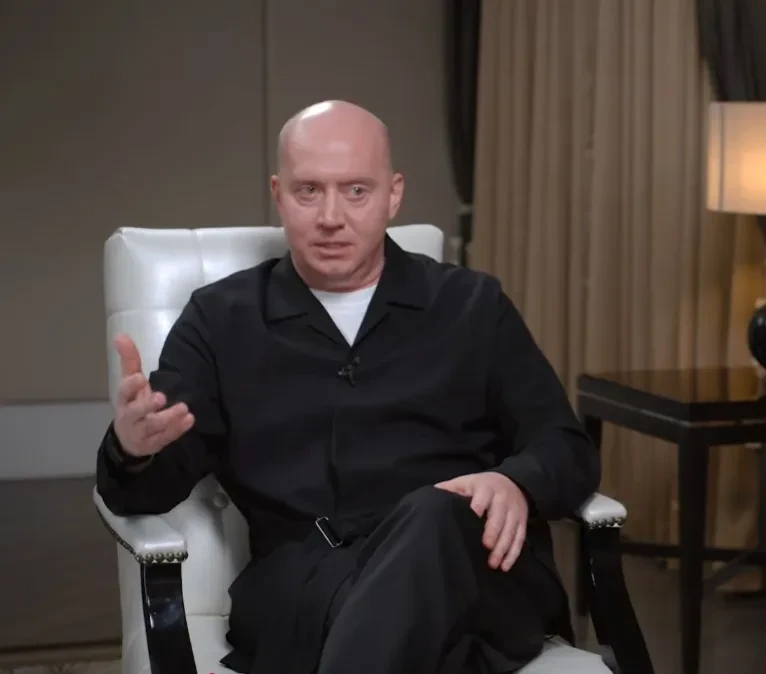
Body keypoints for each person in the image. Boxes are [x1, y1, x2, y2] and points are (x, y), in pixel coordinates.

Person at [95, 100, 600, 674]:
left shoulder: (472, 305)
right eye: (309, 191)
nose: (331, 216)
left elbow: (566, 447)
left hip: (476, 575)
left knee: (436, 514)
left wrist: (516, 483)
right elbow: (147, 489)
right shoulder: (220, 320)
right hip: (314, 589)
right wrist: (133, 449)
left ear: (393, 195)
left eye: (356, 191)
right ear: (279, 194)